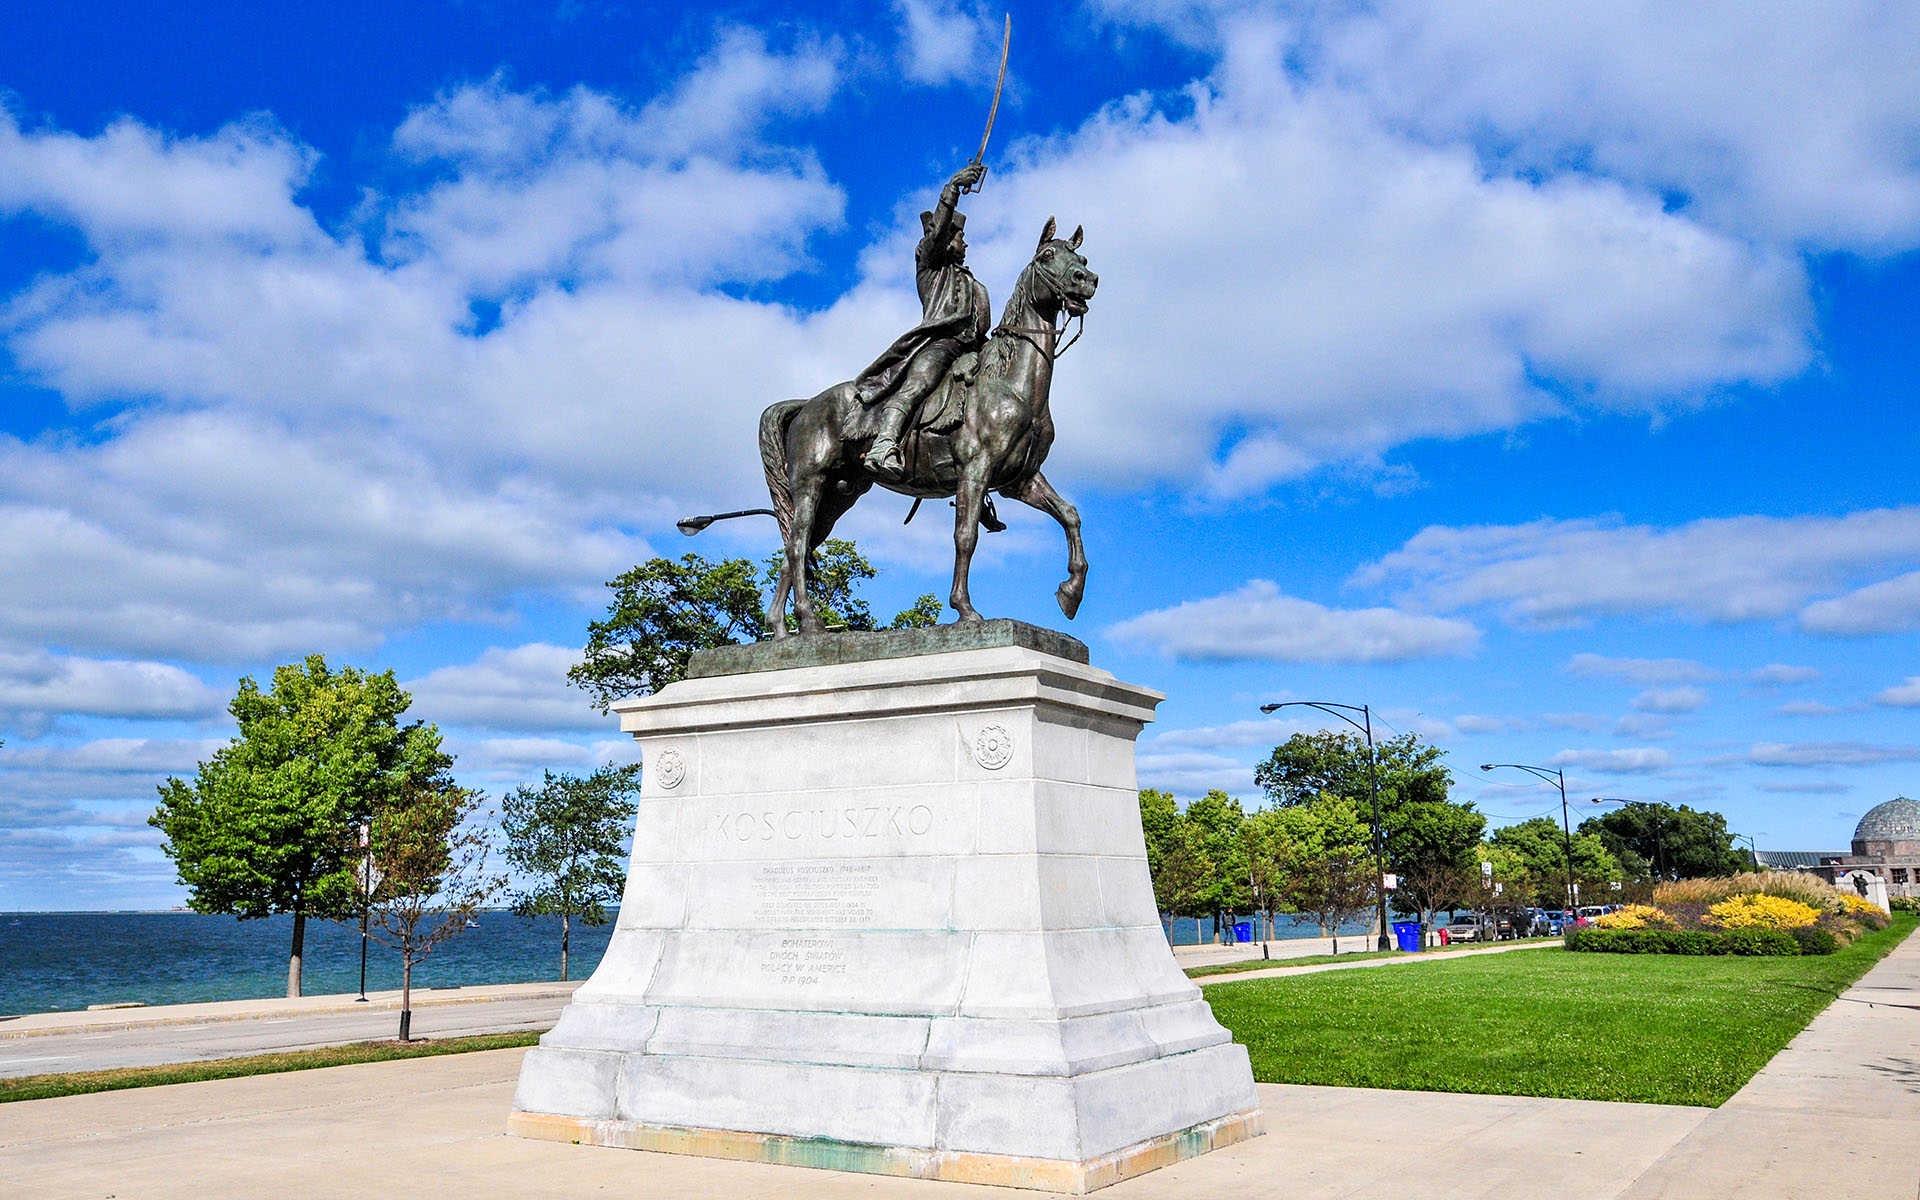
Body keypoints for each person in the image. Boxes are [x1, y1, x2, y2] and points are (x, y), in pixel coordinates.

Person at [855, 162, 994, 482]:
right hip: (940, 346)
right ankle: (884, 444)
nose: (966, 244)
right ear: (946, 241)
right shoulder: (931, 266)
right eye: (961, 238)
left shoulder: (973, 283)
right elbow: (937, 233)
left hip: (972, 351)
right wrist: (952, 190)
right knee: (919, 384)